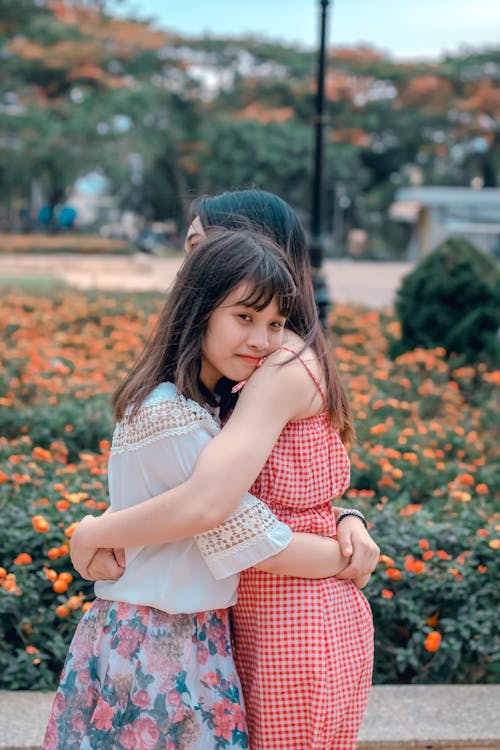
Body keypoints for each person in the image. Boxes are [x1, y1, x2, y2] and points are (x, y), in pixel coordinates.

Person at [70, 191, 377, 749]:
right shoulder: (207, 387)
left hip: (292, 611)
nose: (188, 266)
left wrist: (94, 530)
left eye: (197, 247)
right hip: (244, 613)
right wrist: (347, 525)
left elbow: (209, 506)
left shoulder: (277, 361)